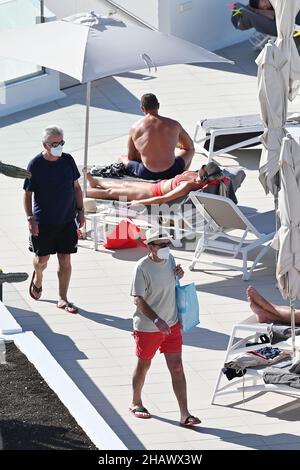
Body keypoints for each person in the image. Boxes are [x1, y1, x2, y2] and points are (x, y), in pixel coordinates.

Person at [129, 227, 201, 426]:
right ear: (149, 246)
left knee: (177, 367)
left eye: (167, 244)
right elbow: (138, 299)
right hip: (148, 327)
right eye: (161, 245)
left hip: (172, 324)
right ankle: (136, 402)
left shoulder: (169, 260)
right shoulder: (141, 267)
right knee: (144, 364)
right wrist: (156, 320)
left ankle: (185, 414)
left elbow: (171, 282)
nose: (166, 248)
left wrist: (179, 273)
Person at [23, 126, 85, 314]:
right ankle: (38, 278)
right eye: (55, 144)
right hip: (44, 222)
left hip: (67, 220)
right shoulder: (35, 164)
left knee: (65, 259)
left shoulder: (67, 161)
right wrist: (30, 218)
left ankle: (63, 298)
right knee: (42, 260)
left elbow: (76, 188)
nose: (59, 146)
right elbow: (27, 194)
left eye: (61, 143)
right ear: (45, 144)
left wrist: (80, 211)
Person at [119, 93, 195, 181]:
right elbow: (189, 146)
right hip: (172, 171)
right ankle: (181, 175)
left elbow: (131, 158)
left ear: (142, 109)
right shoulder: (174, 124)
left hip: (145, 173)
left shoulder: (135, 128)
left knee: (122, 158)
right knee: (191, 150)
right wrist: (174, 144)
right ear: (158, 106)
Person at [85, 162, 234, 206]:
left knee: (112, 193)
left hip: (152, 193)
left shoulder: (189, 186)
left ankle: (80, 192)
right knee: (122, 185)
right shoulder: (196, 174)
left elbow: (163, 199)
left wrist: (139, 202)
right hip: (155, 185)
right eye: (199, 175)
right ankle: (95, 181)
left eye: (202, 180)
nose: (197, 180)